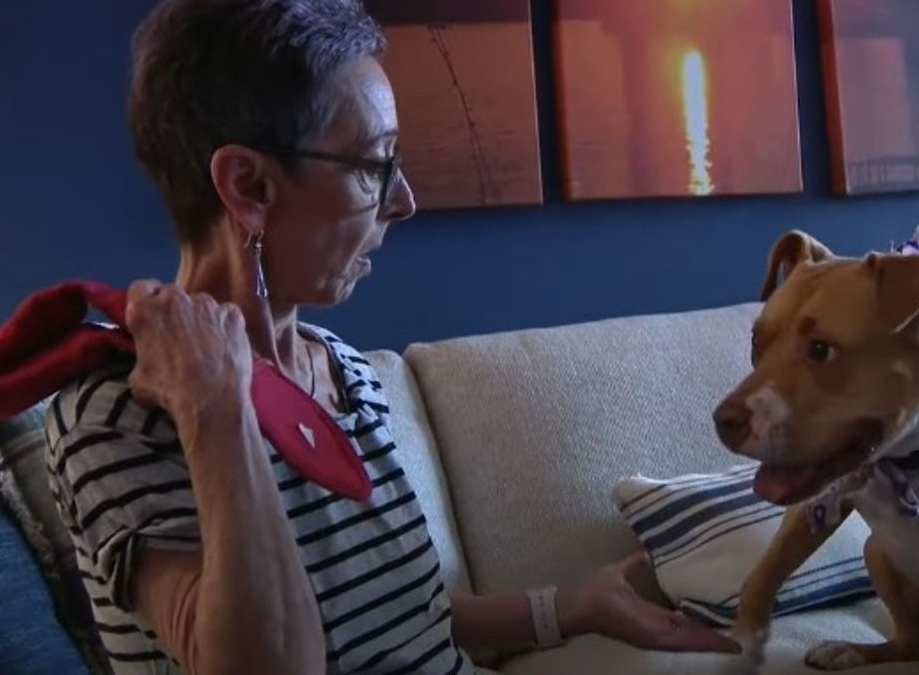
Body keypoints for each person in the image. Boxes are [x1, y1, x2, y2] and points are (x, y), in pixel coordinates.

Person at [40, 1, 740, 674]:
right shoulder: (116, 415)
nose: (403, 200)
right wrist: (217, 411)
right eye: (375, 165)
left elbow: (400, 619)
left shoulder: (342, 372)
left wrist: (571, 607)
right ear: (249, 186)